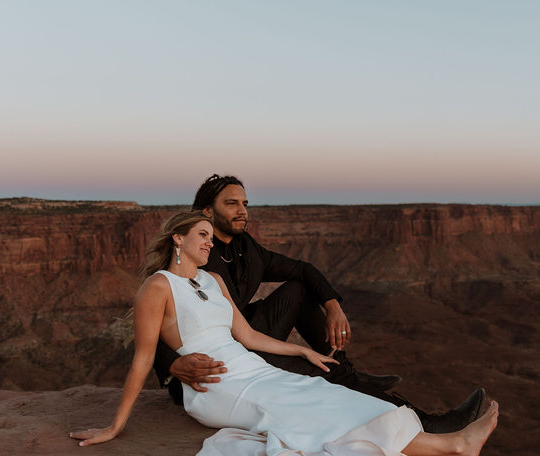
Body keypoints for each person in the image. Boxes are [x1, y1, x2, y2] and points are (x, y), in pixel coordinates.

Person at [71, 212, 499, 456]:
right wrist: (115, 427)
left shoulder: (212, 281)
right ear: (177, 240)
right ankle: (455, 448)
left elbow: (249, 337)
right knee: (314, 416)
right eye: (201, 235)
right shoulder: (157, 286)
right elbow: (143, 357)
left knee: (335, 396)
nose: (209, 243)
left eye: (209, 237)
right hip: (219, 387)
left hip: (254, 370)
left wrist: (302, 353)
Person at [152, 174, 487, 433]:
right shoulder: (193, 258)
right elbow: (158, 315)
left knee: (298, 289)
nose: (242, 211)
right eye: (232, 204)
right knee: (324, 374)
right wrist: (170, 366)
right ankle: (426, 423)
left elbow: (302, 269)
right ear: (207, 212)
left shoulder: (244, 247)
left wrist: (332, 305)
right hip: (220, 362)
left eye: (245, 203)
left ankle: (347, 369)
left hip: (246, 336)